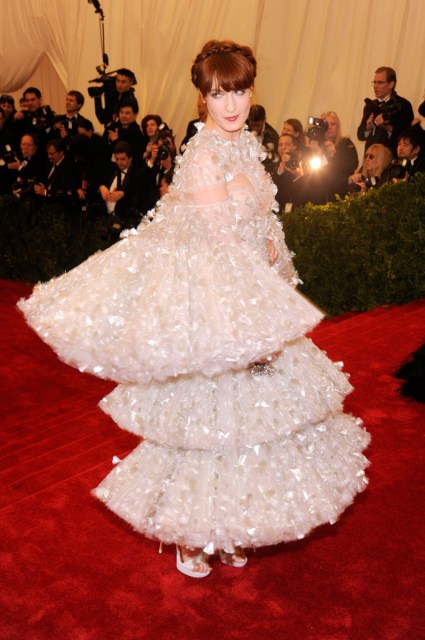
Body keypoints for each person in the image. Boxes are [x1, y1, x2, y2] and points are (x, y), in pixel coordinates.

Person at [18, 40, 370, 579]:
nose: (230, 104)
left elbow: (264, 224)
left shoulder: (248, 141)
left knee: (251, 431)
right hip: (217, 309)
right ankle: (191, 535)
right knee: (207, 430)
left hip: (254, 296)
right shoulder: (203, 153)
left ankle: (232, 524)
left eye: (240, 91)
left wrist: (278, 275)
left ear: (252, 90)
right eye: (218, 93)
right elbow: (222, 242)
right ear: (202, 95)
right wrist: (255, 314)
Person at [357, 67, 414, 154]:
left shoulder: (403, 105)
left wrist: (389, 128)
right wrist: (368, 128)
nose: (375, 86)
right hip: (370, 157)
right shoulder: (370, 106)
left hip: (391, 158)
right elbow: (360, 136)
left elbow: (408, 137)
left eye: (380, 82)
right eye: (374, 82)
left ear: (391, 84)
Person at [248, 104, 279, 172]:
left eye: (258, 125)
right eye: (253, 125)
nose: (255, 128)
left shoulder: (272, 135)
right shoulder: (243, 127)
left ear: (264, 120)